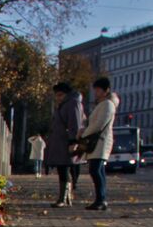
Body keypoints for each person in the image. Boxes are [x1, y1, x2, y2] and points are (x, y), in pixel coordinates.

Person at [78, 77, 118, 211]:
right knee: (98, 170)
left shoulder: (107, 105)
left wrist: (84, 134)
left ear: (105, 90)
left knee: (95, 170)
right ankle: (101, 199)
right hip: (99, 141)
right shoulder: (102, 104)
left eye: (98, 90)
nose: (96, 92)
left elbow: (98, 124)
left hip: (101, 141)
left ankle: (101, 199)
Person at [45, 82, 84, 207]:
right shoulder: (65, 104)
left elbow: (75, 124)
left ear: (66, 94)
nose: (58, 98)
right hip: (61, 142)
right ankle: (65, 198)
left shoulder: (73, 103)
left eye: (60, 95)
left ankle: (63, 198)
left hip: (66, 142)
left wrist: (73, 141)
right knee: (63, 169)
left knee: (65, 169)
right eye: (56, 95)